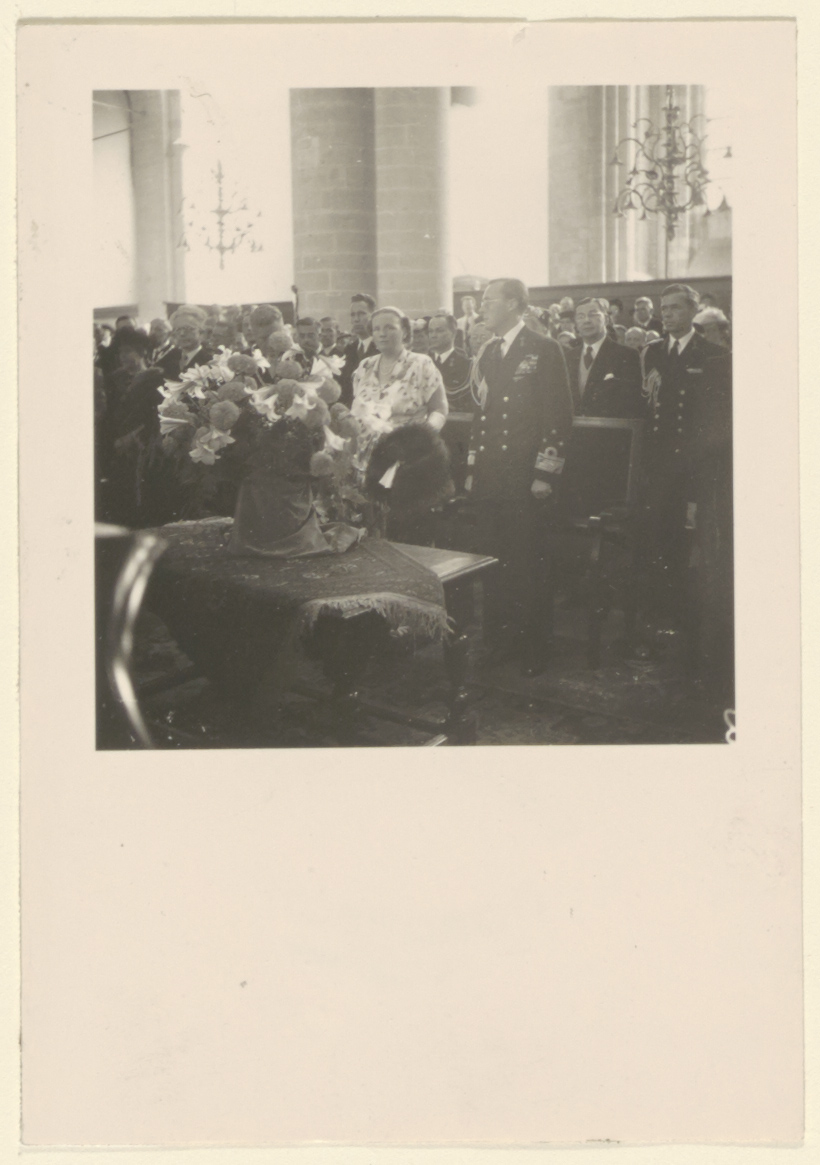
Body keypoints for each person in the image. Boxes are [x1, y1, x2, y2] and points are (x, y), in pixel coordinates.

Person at [460, 277, 573, 675]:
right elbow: (482, 415)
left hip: (525, 475)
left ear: (513, 304)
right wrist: (473, 467)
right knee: (493, 562)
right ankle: (498, 642)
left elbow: (558, 415)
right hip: (492, 474)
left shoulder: (544, 348)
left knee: (527, 564)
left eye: (489, 300)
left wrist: (545, 472)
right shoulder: (490, 351)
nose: (482, 308)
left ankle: (533, 648)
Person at [638, 283, 733, 701]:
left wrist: (700, 478)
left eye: (676, 308)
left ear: (694, 311)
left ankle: (694, 642)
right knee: (661, 549)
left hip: (694, 473)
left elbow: (715, 424)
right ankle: (666, 630)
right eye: (664, 308)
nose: (668, 314)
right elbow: (649, 409)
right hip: (660, 472)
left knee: (694, 557)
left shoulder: (712, 355)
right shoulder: (653, 352)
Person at [352, 305, 450, 543]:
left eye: (389, 327)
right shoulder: (364, 367)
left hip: (406, 461)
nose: (382, 333)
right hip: (365, 460)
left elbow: (439, 409)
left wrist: (421, 440)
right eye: (377, 329)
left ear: (405, 331)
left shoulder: (422, 364)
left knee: (405, 534)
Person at [568, 297, 644, 418]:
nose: (586, 320)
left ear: (607, 319)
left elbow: (631, 404)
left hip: (609, 428)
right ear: (576, 324)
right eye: (581, 316)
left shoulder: (626, 355)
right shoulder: (568, 356)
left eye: (593, 315)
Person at [428, 312, 473, 494]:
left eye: (439, 330)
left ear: (453, 333)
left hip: (453, 435)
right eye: (431, 331)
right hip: (427, 435)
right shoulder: (422, 362)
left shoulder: (466, 364)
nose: (433, 335)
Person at [339, 292, 378, 406]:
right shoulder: (349, 350)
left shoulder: (381, 348)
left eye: (361, 314)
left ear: (373, 316)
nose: (356, 319)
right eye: (353, 315)